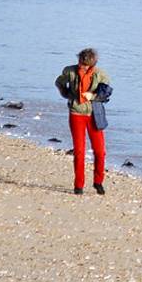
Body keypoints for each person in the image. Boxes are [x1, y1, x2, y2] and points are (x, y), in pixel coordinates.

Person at [55, 48, 112, 196]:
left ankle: (98, 182)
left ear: (92, 64)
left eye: (85, 65)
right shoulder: (70, 71)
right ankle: (78, 185)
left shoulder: (100, 74)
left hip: (94, 115)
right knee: (79, 151)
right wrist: (67, 95)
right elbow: (59, 82)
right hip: (76, 113)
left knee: (100, 151)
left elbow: (106, 93)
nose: (82, 66)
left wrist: (92, 96)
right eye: (80, 63)